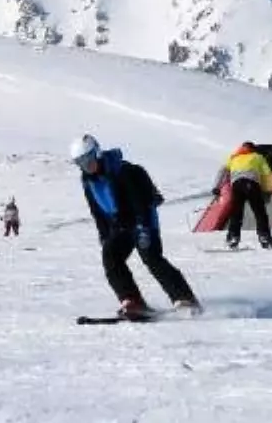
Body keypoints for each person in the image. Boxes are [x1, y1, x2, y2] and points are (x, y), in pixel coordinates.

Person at [70, 134, 200, 318]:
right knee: (110, 257)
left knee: (151, 257)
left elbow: (140, 202)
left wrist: (143, 228)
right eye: (81, 162)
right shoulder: (88, 182)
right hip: (119, 224)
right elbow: (97, 211)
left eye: (89, 159)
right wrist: (104, 235)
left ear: (97, 153)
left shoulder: (124, 171)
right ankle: (131, 300)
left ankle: (185, 298)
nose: (87, 165)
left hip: (143, 218)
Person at [213, 142, 272, 249]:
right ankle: (265, 238)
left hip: (236, 186)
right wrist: (267, 191)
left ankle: (233, 238)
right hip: (252, 184)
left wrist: (216, 187)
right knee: (260, 213)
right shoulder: (258, 157)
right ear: (253, 149)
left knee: (236, 214)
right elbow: (267, 174)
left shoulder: (233, 158)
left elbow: (222, 171)